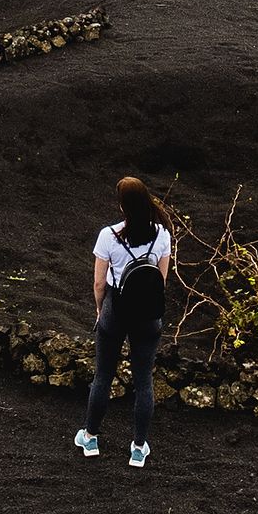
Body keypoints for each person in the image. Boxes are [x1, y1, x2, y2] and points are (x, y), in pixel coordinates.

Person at [74, 176, 172, 468]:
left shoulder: (109, 236)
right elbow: (161, 281)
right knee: (144, 382)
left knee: (103, 376)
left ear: (122, 206)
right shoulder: (162, 235)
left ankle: (90, 437)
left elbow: (98, 283)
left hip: (116, 310)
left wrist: (99, 310)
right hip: (148, 314)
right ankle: (138, 448)